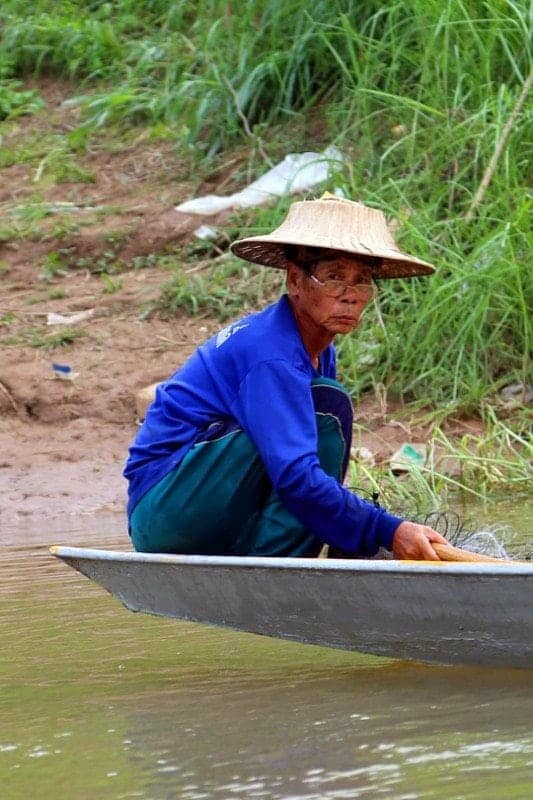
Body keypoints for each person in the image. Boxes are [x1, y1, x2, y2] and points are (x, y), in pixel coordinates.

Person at [124, 194, 448, 560]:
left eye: (362, 282)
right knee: (324, 411)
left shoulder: (318, 352)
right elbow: (296, 476)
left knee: (315, 415)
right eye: (334, 278)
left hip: (205, 505)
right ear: (295, 280)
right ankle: (278, 566)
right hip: (167, 508)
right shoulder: (269, 353)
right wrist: (389, 531)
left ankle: (286, 558)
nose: (350, 296)